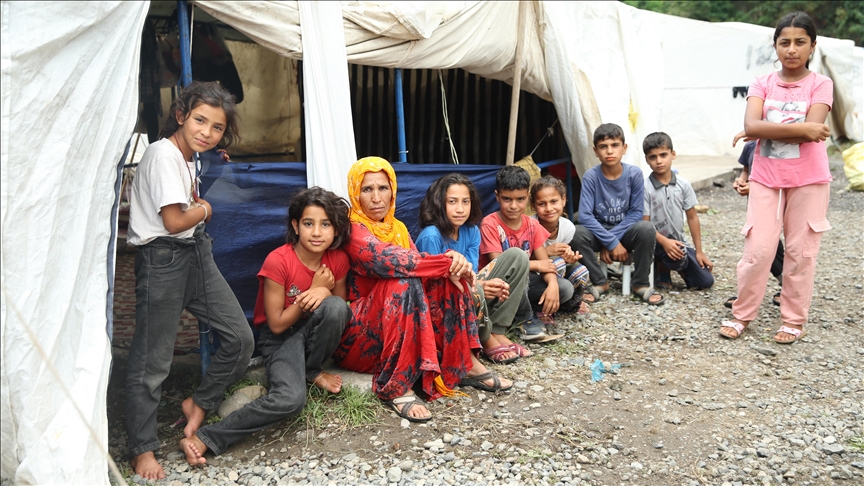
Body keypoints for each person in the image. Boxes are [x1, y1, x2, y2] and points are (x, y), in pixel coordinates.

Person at [125, 81, 254, 480]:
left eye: (216, 127)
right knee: (152, 363)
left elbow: (187, 210)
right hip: (163, 259)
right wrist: (204, 209)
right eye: (200, 120)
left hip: (195, 253)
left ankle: (198, 402)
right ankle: (141, 448)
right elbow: (174, 220)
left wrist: (198, 204)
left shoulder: (188, 156)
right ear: (181, 116)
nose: (207, 132)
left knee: (239, 337)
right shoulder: (163, 155)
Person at [177, 187, 352, 466]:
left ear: (336, 228)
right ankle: (205, 438)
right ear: (295, 226)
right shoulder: (279, 261)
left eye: (325, 224)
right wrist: (315, 291)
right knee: (290, 399)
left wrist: (326, 294)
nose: (317, 232)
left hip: (314, 335)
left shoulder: (338, 260)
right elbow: (278, 324)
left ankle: (312, 368)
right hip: (280, 340)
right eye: (308, 223)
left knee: (335, 307)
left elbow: (341, 310)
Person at [333, 157, 512, 423]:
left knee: (448, 277)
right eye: (367, 189)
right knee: (402, 280)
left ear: (393, 190)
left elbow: (426, 272)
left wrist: (453, 268)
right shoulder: (351, 229)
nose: (376, 197)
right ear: (355, 193)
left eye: (383, 188)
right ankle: (398, 385)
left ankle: (463, 364)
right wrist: (448, 260)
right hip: (360, 338)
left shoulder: (398, 229)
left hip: (395, 328)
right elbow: (388, 260)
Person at [719, 11, 833, 344]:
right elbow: (757, 127)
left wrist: (762, 129)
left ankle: (793, 320)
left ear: (812, 46)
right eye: (785, 42)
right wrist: (800, 128)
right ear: (775, 45)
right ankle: (742, 314)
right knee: (759, 249)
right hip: (766, 177)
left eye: (800, 42)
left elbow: (809, 134)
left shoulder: (820, 84)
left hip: (809, 178)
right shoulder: (762, 83)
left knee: (800, 252)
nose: (792, 49)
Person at [416, 173, 531, 364]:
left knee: (517, 256)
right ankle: (485, 338)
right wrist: (479, 286)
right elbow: (431, 289)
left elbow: (472, 274)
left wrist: (481, 284)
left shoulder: (472, 231)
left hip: (467, 291)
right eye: (452, 202)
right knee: (475, 287)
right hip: (442, 305)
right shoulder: (431, 236)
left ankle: (498, 330)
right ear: (438, 203)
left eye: (466, 202)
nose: (460, 209)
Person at [571, 123, 663, 305]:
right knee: (576, 232)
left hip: (626, 232)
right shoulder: (591, 176)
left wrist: (612, 242)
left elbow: (636, 213)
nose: (609, 151)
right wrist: (610, 242)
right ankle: (599, 281)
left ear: (624, 148)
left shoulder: (634, 174)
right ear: (595, 151)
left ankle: (640, 284)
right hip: (599, 233)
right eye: (603, 147)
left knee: (646, 228)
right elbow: (585, 216)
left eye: (614, 145)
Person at [479, 166, 568, 342]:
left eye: (520, 199)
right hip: (498, 284)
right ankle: (524, 319)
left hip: (524, 284)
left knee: (565, 288)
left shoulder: (532, 225)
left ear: (527, 196)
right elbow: (498, 263)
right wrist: (535, 265)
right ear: (497, 196)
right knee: (522, 277)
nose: (514, 206)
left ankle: (532, 309)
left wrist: (553, 285)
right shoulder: (490, 224)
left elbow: (546, 263)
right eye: (507, 199)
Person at [641, 132, 715, 291]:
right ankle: (662, 267)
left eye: (663, 155)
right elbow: (644, 225)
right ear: (647, 160)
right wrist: (665, 242)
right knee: (671, 253)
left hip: (678, 242)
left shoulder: (684, 185)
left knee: (705, 281)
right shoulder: (645, 188)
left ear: (673, 154)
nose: (659, 161)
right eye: (653, 157)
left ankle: (681, 266)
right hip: (654, 243)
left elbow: (693, 218)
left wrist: (699, 252)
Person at [724, 136, 784, 309]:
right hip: (755, 205)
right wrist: (742, 181)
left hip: (775, 203)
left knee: (766, 245)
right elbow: (746, 170)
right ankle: (752, 291)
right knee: (760, 245)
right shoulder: (750, 145)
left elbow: (778, 175)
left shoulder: (777, 145)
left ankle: (786, 286)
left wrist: (757, 186)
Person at [529, 175, 591, 314]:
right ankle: (541, 308)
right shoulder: (529, 226)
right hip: (532, 274)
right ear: (533, 206)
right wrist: (547, 251)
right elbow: (523, 258)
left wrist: (569, 258)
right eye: (542, 204)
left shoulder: (568, 227)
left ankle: (568, 305)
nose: (549, 208)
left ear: (563, 200)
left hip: (556, 271)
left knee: (581, 271)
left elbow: (563, 261)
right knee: (557, 263)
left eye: (554, 201)